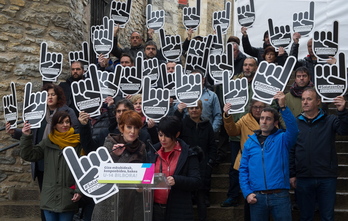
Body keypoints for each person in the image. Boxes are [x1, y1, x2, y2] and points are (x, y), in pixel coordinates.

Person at [6, 83, 78, 221]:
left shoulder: (67, 111)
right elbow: (30, 134)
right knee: (46, 196)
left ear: (58, 96)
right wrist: (15, 132)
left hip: (61, 161)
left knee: (63, 195)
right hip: (41, 161)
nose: (49, 97)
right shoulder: (36, 112)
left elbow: (76, 132)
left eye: (52, 94)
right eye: (46, 95)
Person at [289, 88, 348, 221]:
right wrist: (292, 173)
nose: (305, 102)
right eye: (303, 99)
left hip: (326, 177)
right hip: (303, 177)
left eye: (309, 99)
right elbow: (291, 150)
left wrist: (342, 111)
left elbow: (344, 130)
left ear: (318, 101)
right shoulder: (296, 123)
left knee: (327, 216)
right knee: (305, 216)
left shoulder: (331, 120)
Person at [239, 92, 298, 221]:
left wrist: (283, 108)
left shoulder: (282, 139)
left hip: (279, 196)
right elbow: (243, 169)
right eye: (262, 118)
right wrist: (247, 192)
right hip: (257, 197)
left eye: (268, 118)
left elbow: (294, 130)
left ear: (275, 122)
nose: (264, 121)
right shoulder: (250, 142)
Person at [20, 111, 82, 221]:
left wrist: (79, 190)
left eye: (67, 122)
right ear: (54, 125)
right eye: (61, 122)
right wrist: (26, 136)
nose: (65, 125)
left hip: (68, 197)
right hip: (49, 196)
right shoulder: (47, 142)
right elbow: (29, 155)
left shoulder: (77, 143)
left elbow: (82, 170)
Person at [148, 116, 201, 221]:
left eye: (167, 136)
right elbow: (146, 177)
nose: (163, 139)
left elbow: (197, 181)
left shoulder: (188, 154)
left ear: (177, 134)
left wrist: (176, 180)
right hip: (154, 208)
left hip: (178, 209)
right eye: (160, 135)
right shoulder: (152, 153)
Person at [175, 100, 217, 221]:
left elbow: (212, 145)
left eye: (196, 107)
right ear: (188, 110)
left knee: (201, 198)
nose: (194, 110)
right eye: (191, 107)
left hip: (203, 165)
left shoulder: (207, 125)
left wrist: (210, 162)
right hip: (186, 165)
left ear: (201, 109)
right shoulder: (183, 124)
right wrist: (178, 111)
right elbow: (174, 129)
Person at [221, 100, 266, 208]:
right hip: (248, 161)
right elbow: (233, 131)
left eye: (260, 107)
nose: (258, 110)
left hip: (265, 162)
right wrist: (227, 116)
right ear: (251, 108)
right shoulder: (245, 119)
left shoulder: (269, 120)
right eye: (255, 107)